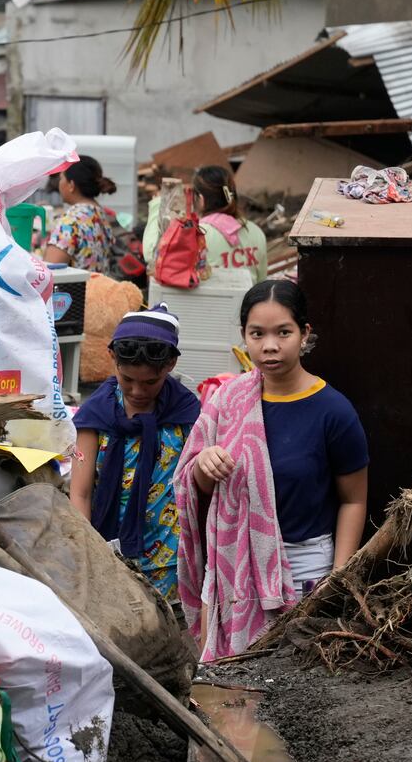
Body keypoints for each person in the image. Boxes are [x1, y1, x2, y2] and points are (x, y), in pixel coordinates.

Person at [174, 279, 368, 660]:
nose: (270, 346)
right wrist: (202, 467)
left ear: (304, 334)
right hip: (232, 571)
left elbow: (354, 500)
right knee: (231, 686)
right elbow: (192, 487)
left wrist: (339, 578)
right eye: (257, 333)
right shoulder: (227, 401)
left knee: (295, 689)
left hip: (304, 569)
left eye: (283, 332)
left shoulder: (333, 411)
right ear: (244, 335)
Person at [70, 306, 201, 601]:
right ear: (113, 359)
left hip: (168, 559)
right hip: (105, 553)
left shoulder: (188, 414)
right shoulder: (96, 414)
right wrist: (87, 549)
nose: (137, 390)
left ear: (169, 365)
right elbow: (80, 493)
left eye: (149, 382)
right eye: (127, 379)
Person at [143, 165, 268, 282]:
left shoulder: (197, 234)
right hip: (248, 304)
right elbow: (261, 282)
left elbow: (153, 255)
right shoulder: (255, 231)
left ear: (201, 200)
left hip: (210, 305)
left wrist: (158, 205)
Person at [44, 155, 121, 273]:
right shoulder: (101, 214)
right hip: (100, 289)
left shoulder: (71, 221)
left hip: (77, 290)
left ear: (71, 185)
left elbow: (49, 271)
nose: (59, 183)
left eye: (61, 178)